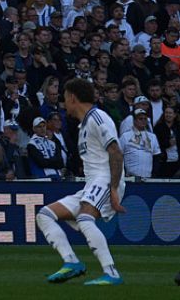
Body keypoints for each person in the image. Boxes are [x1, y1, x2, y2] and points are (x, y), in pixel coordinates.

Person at [35, 78, 123, 286]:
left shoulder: (98, 118)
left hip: (105, 179)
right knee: (45, 215)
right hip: (92, 183)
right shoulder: (84, 124)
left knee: (85, 219)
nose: (64, 102)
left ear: (73, 97)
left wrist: (114, 188)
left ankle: (111, 273)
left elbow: (116, 153)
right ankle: (72, 262)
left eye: (65, 97)